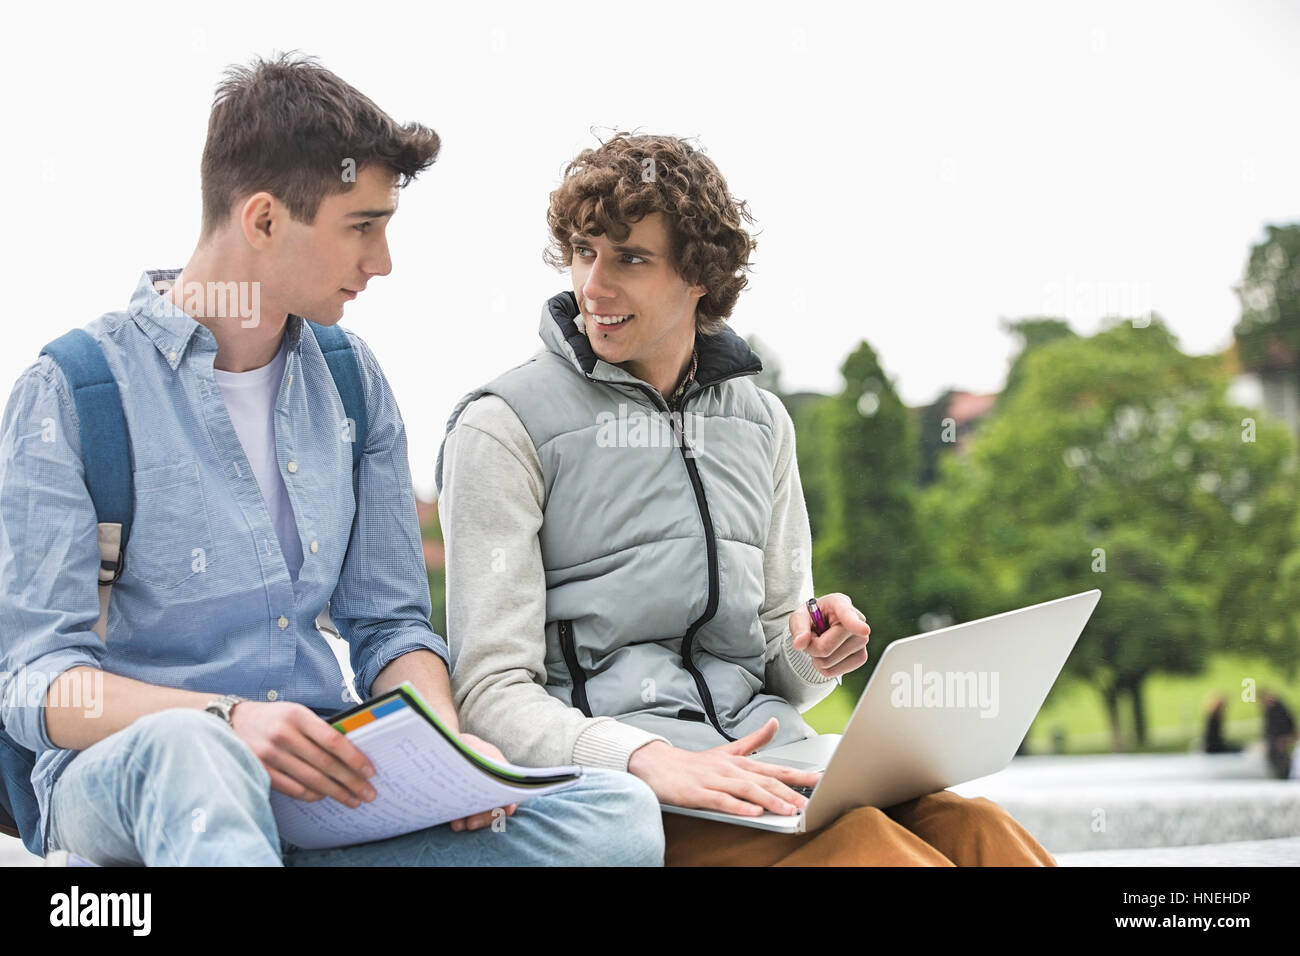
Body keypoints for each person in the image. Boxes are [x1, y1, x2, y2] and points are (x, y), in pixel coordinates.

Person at [0, 53, 661, 867]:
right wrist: (226, 720)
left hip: (323, 776)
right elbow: (39, 680)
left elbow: (388, 627)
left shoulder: (352, 381)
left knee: (615, 818)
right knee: (195, 756)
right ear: (265, 220)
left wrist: (445, 749)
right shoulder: (74, 392)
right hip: (137, 776)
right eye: (362, 226)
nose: (381, 261)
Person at [436, 132, 1055, 865]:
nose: (592, 287)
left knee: (976, 828)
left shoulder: (760, 425)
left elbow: (773, 667)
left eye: (629, 258)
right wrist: (647, 758)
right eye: (582, 251)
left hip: (772, 765)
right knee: (870, 850)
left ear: (700, 275)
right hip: (629, 795)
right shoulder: (503, 427)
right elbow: (491, 692)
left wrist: (819, 655)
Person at [1262, 692, 1297, 780]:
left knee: (1283, 763)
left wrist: (1284, 739)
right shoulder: (1272, 710)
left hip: (1281, 741)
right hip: (1278, 741)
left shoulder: (1278, 710)